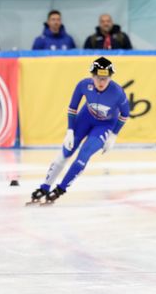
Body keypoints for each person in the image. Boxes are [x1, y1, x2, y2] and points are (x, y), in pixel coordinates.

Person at [28, 57, 129, 205]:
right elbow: (72, 108)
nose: (101, 82)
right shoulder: (83, 85)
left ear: (110, 77)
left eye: (105, 79)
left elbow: (125, 114)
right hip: (85, 118)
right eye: (98, 78)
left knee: (83, 155)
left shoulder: (118, 92)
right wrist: (70, 130)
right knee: (64, 153)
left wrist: (113, 135)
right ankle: (44, 187)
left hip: (104, 126)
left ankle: (60, 189)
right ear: (92, 76)